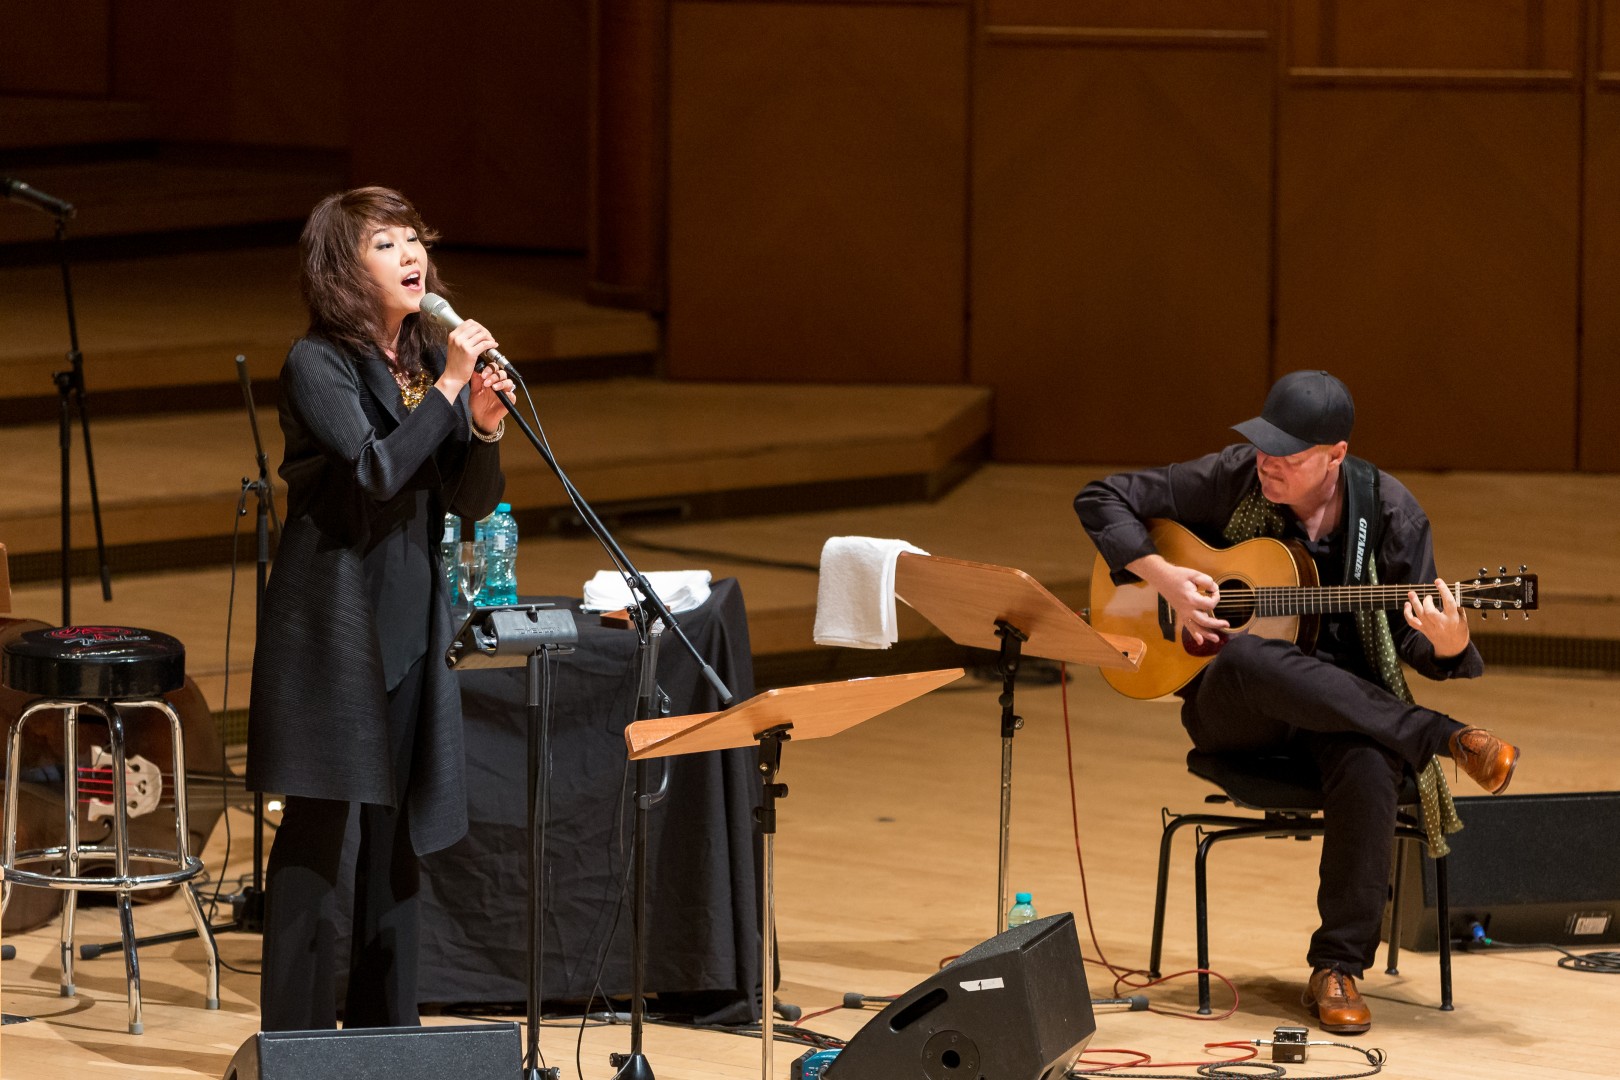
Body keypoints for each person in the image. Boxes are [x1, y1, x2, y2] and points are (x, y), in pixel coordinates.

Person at [1075, 369, 1519, 1036]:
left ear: (1336, 455)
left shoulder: (1391, 513)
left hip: (1344, 714)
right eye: (1262, 449)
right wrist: (1163, 577)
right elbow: (1100, 495)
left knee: (1372, 757)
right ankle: (1443, 736)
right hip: (1236, 710)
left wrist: (1451, 644)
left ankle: (1337, 967)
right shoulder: (1234, 478)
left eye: (1288, 457)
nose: (1267, 466)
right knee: (1250, 654)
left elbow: (1414, 640)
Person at [247, 186, 513, 1030]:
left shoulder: (423, 364)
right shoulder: (315, 362)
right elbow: (375, 472)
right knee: (318, 842)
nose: (411, 257)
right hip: (330, 627)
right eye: (385, 244)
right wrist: (450, 389)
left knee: (396, 843)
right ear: (341, 268)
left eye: (414, 241)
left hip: (407, 626)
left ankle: (385, 1038)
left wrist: (482, 425)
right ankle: (293, 1041)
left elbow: (466, 502)